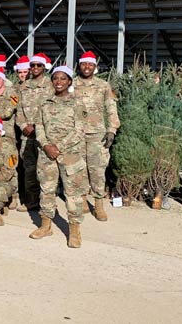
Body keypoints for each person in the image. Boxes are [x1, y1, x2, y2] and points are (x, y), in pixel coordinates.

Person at [30, 65, 87, 248]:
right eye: (56, 78)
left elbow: (79, 130)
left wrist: (58, 147)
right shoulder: (45, 102)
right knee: (46, 190)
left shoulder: (77, 103)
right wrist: (46, 145)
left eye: (63, 79)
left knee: (73, 194)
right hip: (47, 155)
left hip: (69, 155)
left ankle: (74, 231)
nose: (59, 82)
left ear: (69, 81)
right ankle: (46, 226)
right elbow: (38, 126)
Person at [73, 51, 120, 221]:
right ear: (80, 65)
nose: (87, 67)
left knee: (98, 169)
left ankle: (99, 204)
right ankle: (83, 200)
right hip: (76, 134)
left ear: (95, 67)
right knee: (79, 168)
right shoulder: (72, 84)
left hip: (97, 134)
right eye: (84, 64)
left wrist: (112, 130)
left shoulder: (103, 86)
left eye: (90, 64)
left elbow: (111, 107)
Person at [16, 52, 53, 212]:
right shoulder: (24, 87)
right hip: (27, 134)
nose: (35, 68)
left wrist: (36, 127)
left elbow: (53, 109)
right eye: (32, 65)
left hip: (44, 134)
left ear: (44, 67)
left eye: (38, 65)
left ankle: (46, 203)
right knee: (29, 168)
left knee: (45, 170)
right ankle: (31, 201)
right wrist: (24, 126)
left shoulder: (51, 85)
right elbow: (18, 110)